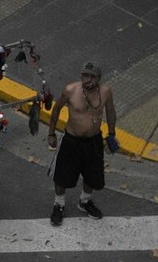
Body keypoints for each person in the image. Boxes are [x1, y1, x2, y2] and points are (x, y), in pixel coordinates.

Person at [47, 61, 118, 226]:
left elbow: (110, 111)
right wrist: (51, 134)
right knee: (62, 176)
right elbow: (56, 109)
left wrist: (112, 134)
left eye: (92, 76)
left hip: (94, 141)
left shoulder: (106, 91)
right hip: (72, 141)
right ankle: (59, 204)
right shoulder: (70, 90)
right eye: (85, 75)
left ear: (99, 78)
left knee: (92, 175)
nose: (88, 79)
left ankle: (85, 201)